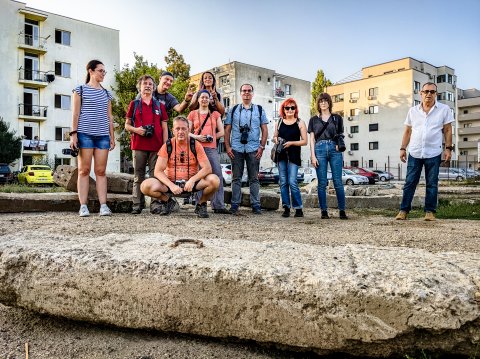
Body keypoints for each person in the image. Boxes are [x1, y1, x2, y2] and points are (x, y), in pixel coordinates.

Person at [140, 116, 220, 218]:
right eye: (177, 129)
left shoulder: (195, 144)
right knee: (145, 186)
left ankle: (201, 204)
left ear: (189, 130)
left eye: (183, 129)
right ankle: (168, 201)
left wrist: (192, 180)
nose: (180, 132)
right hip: (171, 184)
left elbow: (207, 168)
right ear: (173, 130)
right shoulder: (168, 145)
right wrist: (171, 185)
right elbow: (158, 171)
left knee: (215, 180)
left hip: (191, 183)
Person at [395, 82, 453, 221]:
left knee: (432, 183)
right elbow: (408, 131)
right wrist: (403, 148)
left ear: (436, 94)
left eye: (432, 92)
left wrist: (448, 149)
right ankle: (404, 211)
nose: (429, 94)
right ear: (420, 93)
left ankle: (430, 212)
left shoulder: (444, 109)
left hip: (433, 152)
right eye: (426, 91)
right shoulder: (413, 111)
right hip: (414, 152)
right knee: (410, 182)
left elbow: (448, 130)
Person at [70, 59, 115, 217]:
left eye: (104, 71)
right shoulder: (80, 89)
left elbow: (110, 117)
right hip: (85, 134)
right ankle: (83, 206)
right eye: (100, 70)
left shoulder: (106, 93)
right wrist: (73, 134)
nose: (103, 74)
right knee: (84, 170)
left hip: (102, 136)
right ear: (91, 71)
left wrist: (112, 136)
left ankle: (104, 206)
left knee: (101, 171)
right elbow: (75, 114)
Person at [125, 75, 168, 214]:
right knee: (139, 175)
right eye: (145, 84)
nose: (148, 86)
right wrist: (137, 130)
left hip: (157, 147)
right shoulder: (134, 104)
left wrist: (165, 145)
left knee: (156, 176)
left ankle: (155, 205)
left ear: (154, 87)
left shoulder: (160, 106)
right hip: (138, 145)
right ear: (140, 87)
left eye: (150, 84)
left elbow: (165, 127)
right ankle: (137, 204)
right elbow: (127, 125)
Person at [224, 84, 268, 214]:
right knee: (236, 178)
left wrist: (262, 147)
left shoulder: (259, 110)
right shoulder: (234, 110)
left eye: (249, 91)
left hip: (254, 148)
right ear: (240, 93)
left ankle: (256, 205)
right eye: (244, 91)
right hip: (236, 148)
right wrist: (227, 147)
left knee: (253, 178)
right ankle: (234, 205)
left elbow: (264, 130)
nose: (246, 93)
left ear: (252, 93)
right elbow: (227, 130)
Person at [187, 90, 231, 214]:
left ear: (210, 100)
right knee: (199, 175)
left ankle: (218, 205)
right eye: (202, 97)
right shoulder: (192, 114)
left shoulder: (215, 114)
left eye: (207, 97)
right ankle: (199, 204)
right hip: (196, 148)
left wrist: (211, 136)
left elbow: (222, 132)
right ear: (198, 99)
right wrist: (197, 137)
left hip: (211, 148)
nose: (205, 99)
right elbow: (186, 132)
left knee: (217, 174)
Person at [308, 93, 347, 220]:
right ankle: (323, 211)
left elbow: (341, 134)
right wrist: (312, 156)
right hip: (319, 149)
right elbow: (312, 139)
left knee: (337, 181)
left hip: (334, 149)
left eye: (325, 101)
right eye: (321, 101)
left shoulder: (337, 118)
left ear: (329, 102)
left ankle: (342, 211)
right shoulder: (313, 120)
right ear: (318, 104)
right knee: (322, 182)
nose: (323, 103)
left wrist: (338, 144)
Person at [274, 98, 308, 218]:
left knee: (292, 182)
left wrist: (291, 143)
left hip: (293, 156)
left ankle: (298, 208)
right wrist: (276, 139)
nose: (290, 110)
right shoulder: (279, 122)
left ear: (295, 109)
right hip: (281, 155)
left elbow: (305, 141)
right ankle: (286, 207)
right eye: (287, 108)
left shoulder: (300, 122)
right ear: (283, 109)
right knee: (283, 182)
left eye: (292, 108)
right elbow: (274, 137)